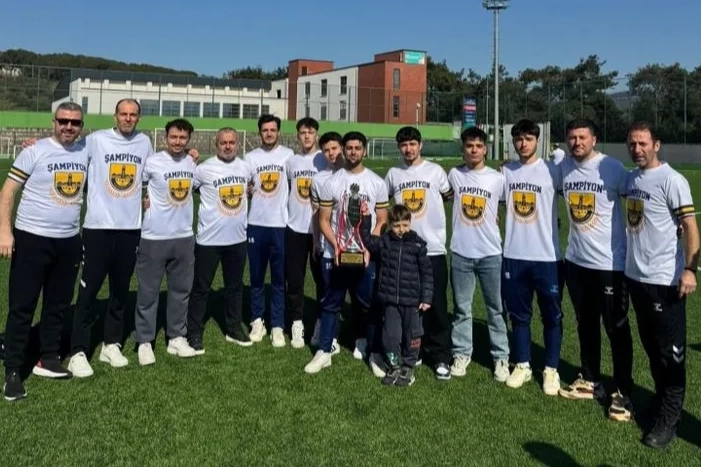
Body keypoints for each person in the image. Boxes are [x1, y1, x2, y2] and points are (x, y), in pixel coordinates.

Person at [0, 102, 89, 400]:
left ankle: (48, 358)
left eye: (75, 122)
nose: (68, 127)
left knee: (58, 304)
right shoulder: (34, 151)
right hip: (32, 239)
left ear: (81, 126)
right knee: (22, 306)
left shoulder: (85, 151)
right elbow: (7, 192)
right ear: (54, 122)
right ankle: (13, 370)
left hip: (68, 240)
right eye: (63, 121)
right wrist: (4, 232)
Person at [624, 121, 699, 449]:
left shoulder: (672, 180)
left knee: (671, 353)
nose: (637, 149)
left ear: (656, 145)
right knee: (652, 347)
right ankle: (660, 399)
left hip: (665, 281)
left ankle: (670, 417)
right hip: (636, 279)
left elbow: (690, 226)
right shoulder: (632, 179)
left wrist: (690, 269)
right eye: (632, 143)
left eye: (643, 143)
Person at [556, 119, 634, 423]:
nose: (577, 142)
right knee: (585, 324)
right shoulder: (564, 167)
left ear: (594, 139)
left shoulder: (612, 168)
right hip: (576, 262)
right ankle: (590, 380)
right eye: (572, 138)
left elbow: (639, 196)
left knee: (616, 328)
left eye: (582, 137)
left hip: (610, 265)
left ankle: (623, 391)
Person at [304, 131, 389, 374]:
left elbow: (382, 219)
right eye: (349, 148)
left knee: (368, 305)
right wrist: (336, 245)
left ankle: (374, 353)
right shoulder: (331, 182)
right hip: (335, 254)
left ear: (365, 150)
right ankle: (324, 351)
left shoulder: (377, 182)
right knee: (331, 303)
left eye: (357, 148)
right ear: (344, 149)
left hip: (365, 255)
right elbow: (323, 220)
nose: (353, 152)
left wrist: (369, 245)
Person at [384, 126, 453, 380]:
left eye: (413, 144)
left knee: (437, 305)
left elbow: (448, 196)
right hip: (404, 250)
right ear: (399, 147)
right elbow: (384, 203)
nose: (408, 149)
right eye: (404, 145)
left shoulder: (436, 171)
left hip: (433, 248)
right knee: (409, 304)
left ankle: (441, 355)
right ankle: (415, 349)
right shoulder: (393, 174)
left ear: (420, 145)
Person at [501, 119, 563, 396]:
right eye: (518, 139)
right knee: (519, 314)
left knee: (552, 315)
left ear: (538, 140)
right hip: (514, 254)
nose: (523, 143)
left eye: (528, 138)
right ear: (513, 142)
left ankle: (551, 368)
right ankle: (523, 364)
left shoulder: (553, 171)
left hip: (547, 257)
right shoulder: (506, 172)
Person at [448, 127, 510, 382]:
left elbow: (509, 205)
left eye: (478, 146)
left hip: (491, 253)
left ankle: (501, 357)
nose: (473, 150)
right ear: (463, 149)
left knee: (496, 309)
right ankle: (461, 353)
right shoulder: (454, 175)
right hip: (461, 252)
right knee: (462, 308)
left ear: (485, 149)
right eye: (469, 146)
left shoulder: (498, 178)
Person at [134, 118, 198, 365]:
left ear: (188, 140)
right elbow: (133, 186)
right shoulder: (151, 162)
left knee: (181, 291)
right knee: (148, 292)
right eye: (173, 137)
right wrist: (142, 200)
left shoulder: (192, 162)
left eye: (182, 138)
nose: (178, 142)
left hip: (184, 237)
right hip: (154, 237)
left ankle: (176, 337)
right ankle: (144, 341)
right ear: (165, 138)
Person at [186, 128, 253, 354]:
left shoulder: (245, 167)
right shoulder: (203, 170)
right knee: (201, 288)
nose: (228, 146)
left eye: (231, 142)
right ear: (216, 145)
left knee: (234, 287)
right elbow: (183, 188)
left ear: (238, 144)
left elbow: (251, 188)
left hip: (237, 239)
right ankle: (194, 331)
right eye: (223, 142)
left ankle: (233, 328)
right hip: (208, 241)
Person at [360, 204, 433, 387]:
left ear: (410, 223)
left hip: (412, 303)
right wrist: (366, 217)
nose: (401, 229)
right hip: (390, 301)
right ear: (391, 225)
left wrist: (426, 298)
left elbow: (426, 273)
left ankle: (408, 367)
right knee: (390, 337)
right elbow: (368, 242)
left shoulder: (418, 245)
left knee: (411, 336)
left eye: (405, 225)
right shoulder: (385, 242)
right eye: (397, 225)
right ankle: (394, 366)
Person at [245, 114, 294, 346]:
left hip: (280, 225)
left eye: (273, 130)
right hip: (256, 224)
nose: (269, 133)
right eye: (265, 130)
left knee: (278, 279)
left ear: (278, 132)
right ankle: (257, 320)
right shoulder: (250, 157)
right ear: (260, 132)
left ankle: (277, 325)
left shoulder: (289, 155)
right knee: (256, 277)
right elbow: (243, 184)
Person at [285, 118, 327, 348]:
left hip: (320, 231)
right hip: (295, 229)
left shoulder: (324, 159)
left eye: (311, 132)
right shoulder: (291, 162)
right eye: (303, 132)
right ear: (298, 136)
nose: (307, 136)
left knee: (322, 280)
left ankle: (321, 324)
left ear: (316, 135)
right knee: (295, 280)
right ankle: (297, 323)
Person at [309, 131, 345, 351]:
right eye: (327, 150)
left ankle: (361, 338)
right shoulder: (319, 179)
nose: (331, 153)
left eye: (335, 148)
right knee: (326, 291)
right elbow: (316, 214)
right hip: (328, 246)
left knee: (359, 296)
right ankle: (326, 331)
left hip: (355, 248)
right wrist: (316, 241)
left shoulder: (356, 175)